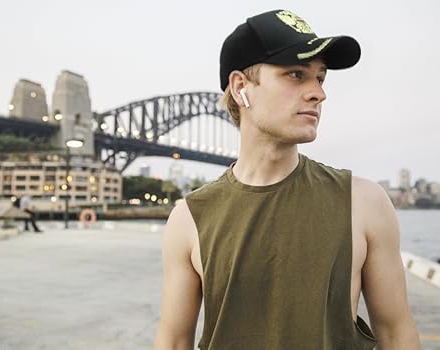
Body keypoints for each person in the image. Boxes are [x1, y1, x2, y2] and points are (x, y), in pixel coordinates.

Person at [153, 9, 420, 350]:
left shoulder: (364, 202)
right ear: (240, 88)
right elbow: (174, 342)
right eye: (296, 74)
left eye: (320, 78)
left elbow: (397, 333)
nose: (318, 93)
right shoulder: (189, 218)